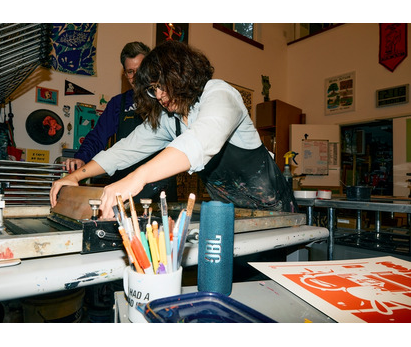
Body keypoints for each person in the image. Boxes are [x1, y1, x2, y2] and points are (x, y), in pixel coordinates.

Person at [50, 40, 298, 218]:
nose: (158, 95)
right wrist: (76, 175)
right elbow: (125, 149)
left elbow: (198, 142)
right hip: (232, 215)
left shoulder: (220, 94)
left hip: (277, 213)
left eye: (161, 85)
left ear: (182, 73)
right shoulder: (171, 119)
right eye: (153, 89)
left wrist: (135, 179)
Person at [63, 41, 177, 200]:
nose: (136, 76)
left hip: (160, 188)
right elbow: (102, 138)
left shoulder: (165, 100)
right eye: (131, 72)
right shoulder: (118, 103)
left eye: (141, 69)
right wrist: (81, 159)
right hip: (123, 185)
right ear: (125, 74)